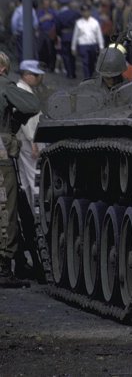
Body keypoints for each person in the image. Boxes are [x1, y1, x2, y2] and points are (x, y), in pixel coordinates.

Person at [0, 51, 41, 287]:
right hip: (2, 155)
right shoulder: (5, 85)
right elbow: (32, 105)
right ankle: (4, 266)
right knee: (7, 207)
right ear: (4, 68)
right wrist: (13, 126)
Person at [15, 60, 44, 212]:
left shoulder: (21, 89)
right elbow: (26, 120)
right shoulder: (23, 91)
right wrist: (34, 142)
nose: (39, 78)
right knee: (35, 178)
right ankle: (37, 214)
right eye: (36, 75)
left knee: (25, 180)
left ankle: (30, 214)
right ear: (27, 75)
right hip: (28, 140)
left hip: (24, 140)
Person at [71, 4, 105, 80]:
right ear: (81, 12)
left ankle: (91, 74)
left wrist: (101, 46)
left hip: (93, 45)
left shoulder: (95, 22)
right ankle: (87, 77)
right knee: (85, 62)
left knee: (92, 62)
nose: (85, 13)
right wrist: (73, 47)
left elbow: (99, 35)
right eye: (83, 11)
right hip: (83, 45)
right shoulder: (79, 23)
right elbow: (75, 36)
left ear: (90, 12)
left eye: (87, 11)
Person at [55, 0, 80, 79]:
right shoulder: (75, 13)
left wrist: (59, 34)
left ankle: (69, 72)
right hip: (73, 35)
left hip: (64, 35)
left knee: (65, 55)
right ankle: (73, 72)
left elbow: (57, 27)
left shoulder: (60, 15)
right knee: (72, 55)